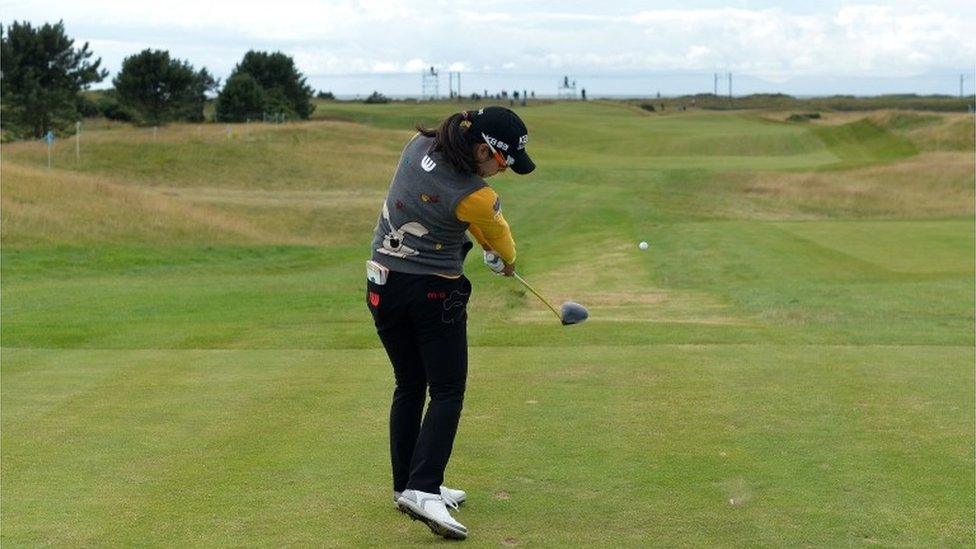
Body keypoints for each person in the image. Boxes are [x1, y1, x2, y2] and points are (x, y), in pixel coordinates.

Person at [366, 106, 534, 540]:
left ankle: (406, 484)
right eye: (502, 163)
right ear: (483, 150)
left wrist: (485, 246)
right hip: (432, 295)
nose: (501, 172)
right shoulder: (476, 195)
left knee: (409, 384)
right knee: (447, 391)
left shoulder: (418, 144)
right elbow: (500, 238)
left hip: (381, 286)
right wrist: (504, 260)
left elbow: (464, 219)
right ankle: (424, 489)